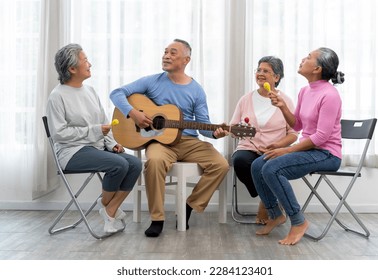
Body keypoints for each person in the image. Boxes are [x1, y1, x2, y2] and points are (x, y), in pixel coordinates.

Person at [110, 38, 230, 237]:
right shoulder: (152, 81)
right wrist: (133, 113)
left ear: (186, 60)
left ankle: (189, 206)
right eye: (165, 51)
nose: (166, 55)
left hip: (189, 141)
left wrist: (215, 132)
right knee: (155, 162)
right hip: (160, 142)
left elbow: (204, 126)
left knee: (221, 164)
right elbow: (117, 93)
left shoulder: (196, 90)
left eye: (173, 52)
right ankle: (157, 218)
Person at [251, 47, 344, 245]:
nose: (303, 59)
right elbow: (298, 125)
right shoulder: (305, 91)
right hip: (310, 149)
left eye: (309, 57)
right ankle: (275, 214)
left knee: (272, 169)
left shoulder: (330, 95)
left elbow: (321, 136)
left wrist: (287, 149)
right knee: (257, 165)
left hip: (327, 154)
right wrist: (283, 107)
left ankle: (298, 221)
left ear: (317, 68)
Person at [46, 43, 142, 233]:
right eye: (85, 60)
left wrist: (113, 144)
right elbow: (59, 134)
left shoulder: (90, 91)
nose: (90, 64)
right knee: (119, 165)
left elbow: (104, 124)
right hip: (71, 152)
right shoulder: (57, 96)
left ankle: (109, 208)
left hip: (96, 147)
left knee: (135, 164)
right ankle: (109, 209)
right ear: (72, 69)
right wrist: (95, 130)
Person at [230, 56, 298, 225]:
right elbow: (232, 127)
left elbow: (294, 133)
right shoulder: (245, 99)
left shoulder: (285, 101)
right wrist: (231, 131)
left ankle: (267, 204)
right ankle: (266, 199)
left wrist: (278, 145)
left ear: (276, 77)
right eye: (258, 70)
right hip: (248, 147)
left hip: (274, 150)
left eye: (265, 71)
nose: (260, 73)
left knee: (264, 166)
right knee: (239, 161)